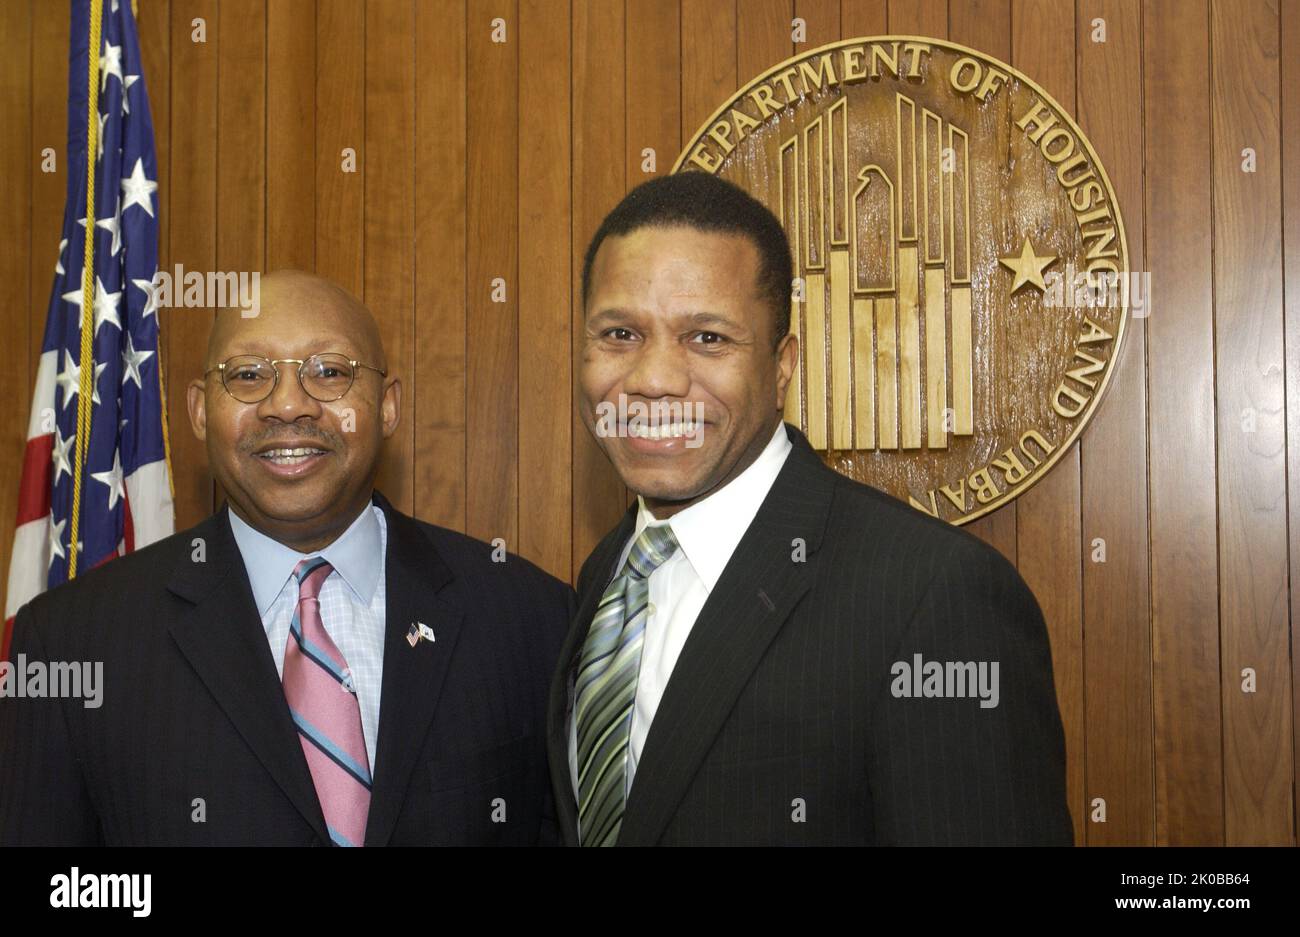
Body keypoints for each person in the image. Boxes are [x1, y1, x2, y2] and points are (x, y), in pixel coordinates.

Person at [548, 173, 1074, 846]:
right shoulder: (604, 579)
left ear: (783, 364)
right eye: (620, 333)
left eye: (707, 338)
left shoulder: (933, 598)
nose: (653, 379)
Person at [0, 270, 572, 846]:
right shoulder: (72, 640)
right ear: (200, 411)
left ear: (389, 405)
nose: (289, 405)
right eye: (248, 376)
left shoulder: (531, 617)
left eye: (329, 372)